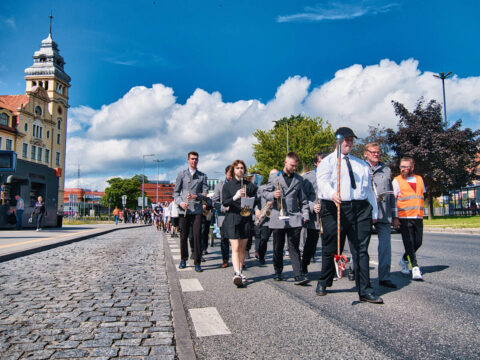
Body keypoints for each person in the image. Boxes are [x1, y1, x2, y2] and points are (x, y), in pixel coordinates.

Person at [316, 127, 382, 304]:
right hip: (334, 207)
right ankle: (324, 280)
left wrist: (374, 210)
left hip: (359, 209)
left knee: (361, 250)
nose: (349, 142)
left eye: (352, 139)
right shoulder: (328, 162)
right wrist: (331, 193)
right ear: (337, 141)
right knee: (331, 248)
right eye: (346, 139)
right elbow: (321, 182)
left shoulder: (360, 164)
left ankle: (365, 290)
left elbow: (368, 189)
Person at [263, 152, 310, 285]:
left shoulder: (299, 179)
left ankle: (298, 274)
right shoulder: (274, 177)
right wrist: (273, 194)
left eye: (296, 166)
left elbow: (303, 199)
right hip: (278, 217)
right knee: (278, 247)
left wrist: (305, 214)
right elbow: (264, 193)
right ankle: (278, 271)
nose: (294, 168)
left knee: (294, 247)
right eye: (292, 165)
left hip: (294, 217)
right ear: (285, 163)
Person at [362, 142, 399, 288]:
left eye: (378, 152)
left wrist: (395, 216)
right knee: (361, 245)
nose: (376, 154)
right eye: (373, 152)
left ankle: (384, 276)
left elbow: (392, 195)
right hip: (366, 212)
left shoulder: (387, 170)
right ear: (366, 153)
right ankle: (355, 268)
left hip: (384, 213)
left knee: (385, 246)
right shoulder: (360, 168)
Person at [222, 160, 258, 287]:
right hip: (233, 218)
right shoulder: (227, 186)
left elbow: (257, 199)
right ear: (233, 170)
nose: (240, 170)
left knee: (243, 248)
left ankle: (240, 270)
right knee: (235, 248)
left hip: (246, 218)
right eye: (237, 168)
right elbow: (225, 202)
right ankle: (236, 273)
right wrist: (235, 197)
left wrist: (253, 203)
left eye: (242, 168)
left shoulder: (250, 185)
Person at [173, 151, 208, 272]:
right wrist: (180, 202)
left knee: (197, 235)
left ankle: (197, 261)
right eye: (192, 159)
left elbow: (205, 194)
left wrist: (196, 196)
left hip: (197, 210)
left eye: (196, 159)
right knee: (183, 236)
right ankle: (183, 259)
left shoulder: (202, 176)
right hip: (184, 210)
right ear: (188, 160)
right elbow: (176, 193)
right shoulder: (181, 174)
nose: (194, 161)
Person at [393, 157, 425, 281]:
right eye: (402, 167)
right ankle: (415, 267)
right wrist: (395, 218)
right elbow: (393, 200)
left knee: (418, 242)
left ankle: (404, 260)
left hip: (417, 216)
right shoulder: (396, 181)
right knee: (409, 242)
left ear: (412, 167)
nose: (403, 169)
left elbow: (421, 195)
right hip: (404, 217)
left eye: (406, 167)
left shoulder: (419, 179)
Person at [301, 153, 326, 275]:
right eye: (321, 162)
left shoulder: (332, 176)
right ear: (315, 163)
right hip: (314, 215)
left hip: (328, 213)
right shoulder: (308, 177)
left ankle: (328, 270)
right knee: (311, 243)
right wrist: (312, 206)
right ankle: (304, 265)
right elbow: (302, 197)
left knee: (328, 243)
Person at [254, 169, 277, 265]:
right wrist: (256, 210)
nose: (274, 177)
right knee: (264, 238)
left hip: (276, 217)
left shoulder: (280, 188)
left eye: (276, 175)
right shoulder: (262, 188)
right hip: (265, 218)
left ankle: (276, 259)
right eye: (272, 175)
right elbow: (255, 201)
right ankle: (261, 256)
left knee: (277, 240)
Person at [212, 165, 232, 268]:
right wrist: (225, 208)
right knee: (224, 240)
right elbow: (214, 202)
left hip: (236, 216)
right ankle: (225, 260)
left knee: (236, 239)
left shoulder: (239, 185)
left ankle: (239, 260)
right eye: (230, 174)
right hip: (223, 217)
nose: (231, 176)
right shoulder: (219, 185)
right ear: (225, 174)